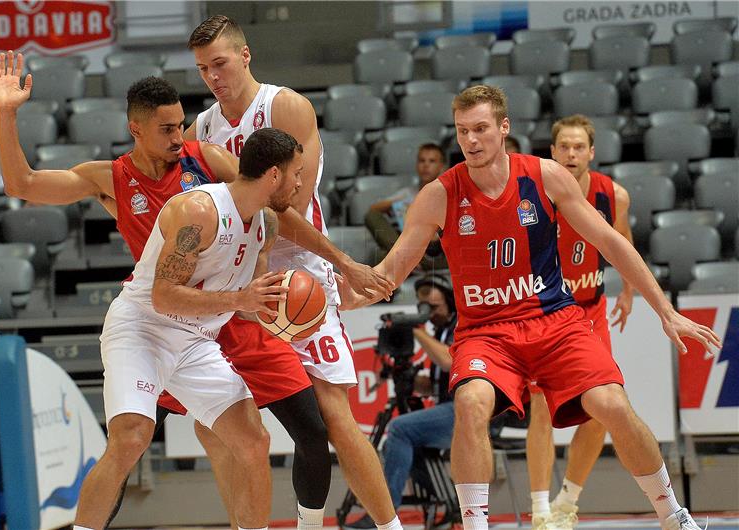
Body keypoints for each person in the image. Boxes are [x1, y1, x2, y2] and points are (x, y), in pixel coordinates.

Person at [0, 51, 392, 530]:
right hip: (155, 316)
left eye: (181, 125)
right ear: (136, 128)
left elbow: (277, 212)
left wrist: (343, 262)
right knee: (131, 440)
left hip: (213, 322)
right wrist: (8, 113)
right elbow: (22, 183)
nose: (179, 138)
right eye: (166, 130)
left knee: (266, 437)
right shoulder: (112, 179)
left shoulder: (205, 159)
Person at [340, 85, 721, 530]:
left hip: (554, 321)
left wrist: (664, 309)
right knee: (471, 403)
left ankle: (671, 514)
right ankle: (477, 525)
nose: (472, 141)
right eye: (463, 131)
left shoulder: (544, 176)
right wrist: (338, 300)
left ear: (504, 127)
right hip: (486, 332)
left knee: (613, 405)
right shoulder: (439, 195)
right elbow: (391, 270)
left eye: (481, 129)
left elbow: (610, 242)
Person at [183, 15, 402, 530]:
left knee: (334, 415)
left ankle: (391, 528)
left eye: (220, 63)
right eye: (202, 69)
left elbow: (287, 208)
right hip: (235, 285)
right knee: (213, 428)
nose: (213, 76)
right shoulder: (202, 129)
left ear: (245, 55)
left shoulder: (284, 107)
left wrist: (341, 263)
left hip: (296, 275)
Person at [74, 127, 302, 529]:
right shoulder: (198, 210)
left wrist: (281, 312)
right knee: (131, 437)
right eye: (296, 173)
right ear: (273, 176)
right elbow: (164, 296)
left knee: (254, 441)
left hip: (195, 339)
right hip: (143, 328)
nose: (300, 183)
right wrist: (239, 301)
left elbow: (250, 304)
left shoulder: (266, 224)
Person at [526, 114, 635, 530]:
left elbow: (622, 242)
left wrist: (627, 289)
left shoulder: (613, 196)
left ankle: (567, 502)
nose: (571, 154)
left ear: (591, 153)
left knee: (602, 409)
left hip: (590, 310)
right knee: (540, 408)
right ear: (552, 152)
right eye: (563, 147)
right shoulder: (534, 193)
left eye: (578, 147)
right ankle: (538, 511)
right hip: (546, 310)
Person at [348, 274, 458, 529]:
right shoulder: (440, 332)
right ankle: (448, 502)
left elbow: (449, 362)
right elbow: (436, 384)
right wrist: (406, 376)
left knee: (399, 428)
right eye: (422, 307)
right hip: (447, 406)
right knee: (393, 446)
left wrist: (417, 330)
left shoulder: (458, 327)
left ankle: (386, 513)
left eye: (433, 307)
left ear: (450, 302)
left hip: (461, 411)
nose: (427, 313)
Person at [365, 143, 448, 272]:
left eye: (432, 161)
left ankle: (403, 259)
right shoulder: (408, 193)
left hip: (437, 250)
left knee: (385, 258)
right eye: (422, 161)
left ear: (441, 166)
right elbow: (373, 210)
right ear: (416, 165)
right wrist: (400, 203)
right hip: (409, 245)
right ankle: (403, 257)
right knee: (372, 218)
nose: (426, 165)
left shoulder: (448, 193)